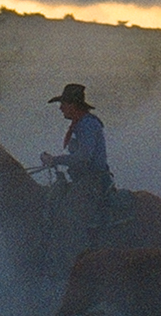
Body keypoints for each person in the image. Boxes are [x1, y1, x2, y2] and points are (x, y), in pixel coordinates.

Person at [39, 83, 114, 249]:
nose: (60, 108)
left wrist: (55, 160)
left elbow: (83, 157)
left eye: (63, 104)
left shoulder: (87, 125)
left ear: (73, 105)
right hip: (86, 180)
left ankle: (78, 253)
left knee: (67, 216)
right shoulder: (81, 124)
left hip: (92, 182)